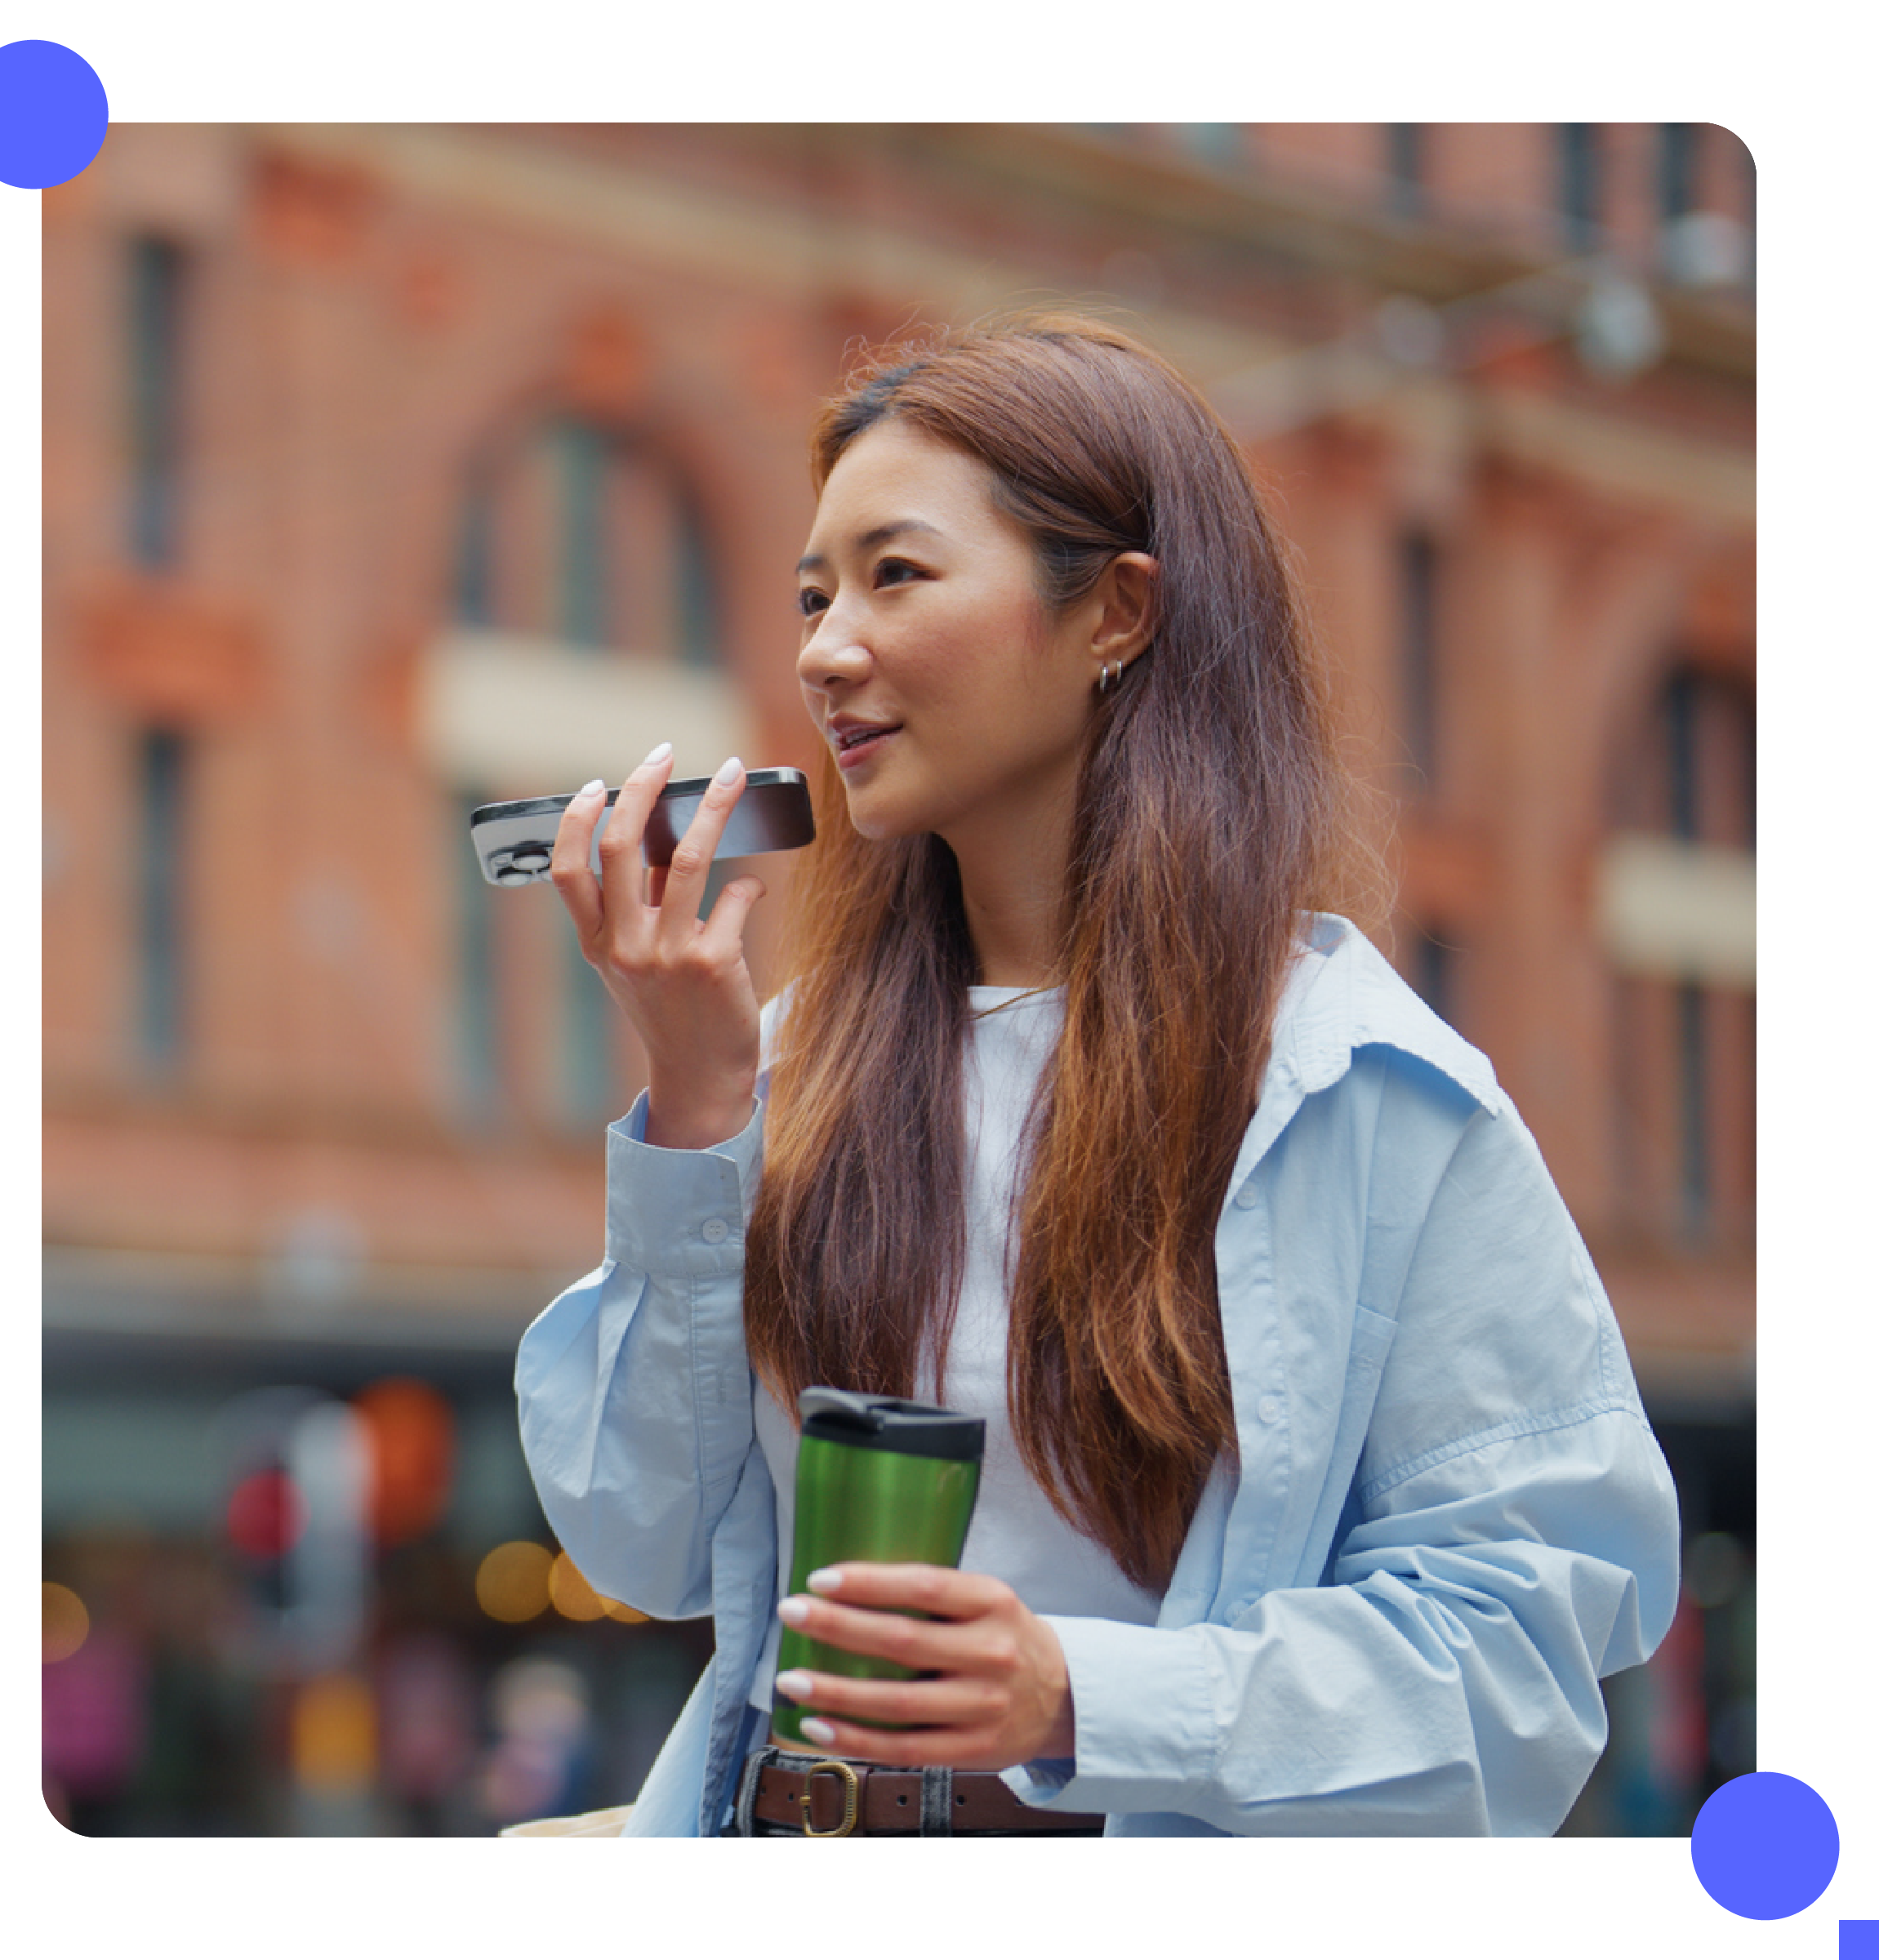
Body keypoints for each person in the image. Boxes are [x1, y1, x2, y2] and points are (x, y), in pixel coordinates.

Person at [514, 314, 1679, 1847]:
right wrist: (696, 1107)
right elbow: (644, 1540)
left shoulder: (1363, 1094)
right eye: (812, 594)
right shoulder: (795, 1065)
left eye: (896, 574)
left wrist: (1083, 1695)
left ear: (1117, 611)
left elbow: (1521, 1657)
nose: (823, 648)